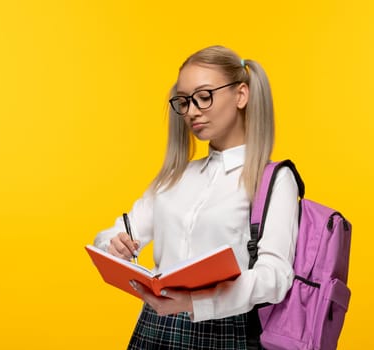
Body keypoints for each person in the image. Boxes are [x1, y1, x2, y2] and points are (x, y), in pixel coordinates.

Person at [94, 45, 299, 349]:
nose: (191, 111)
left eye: (204, 96)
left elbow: (276, 277)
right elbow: (113, 234)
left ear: (241, 95)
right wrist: (113, 245)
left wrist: (196, 301)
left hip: (224, 333)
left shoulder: (273, 179)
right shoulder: (177, 175)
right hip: (154, 327)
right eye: (184, 101)